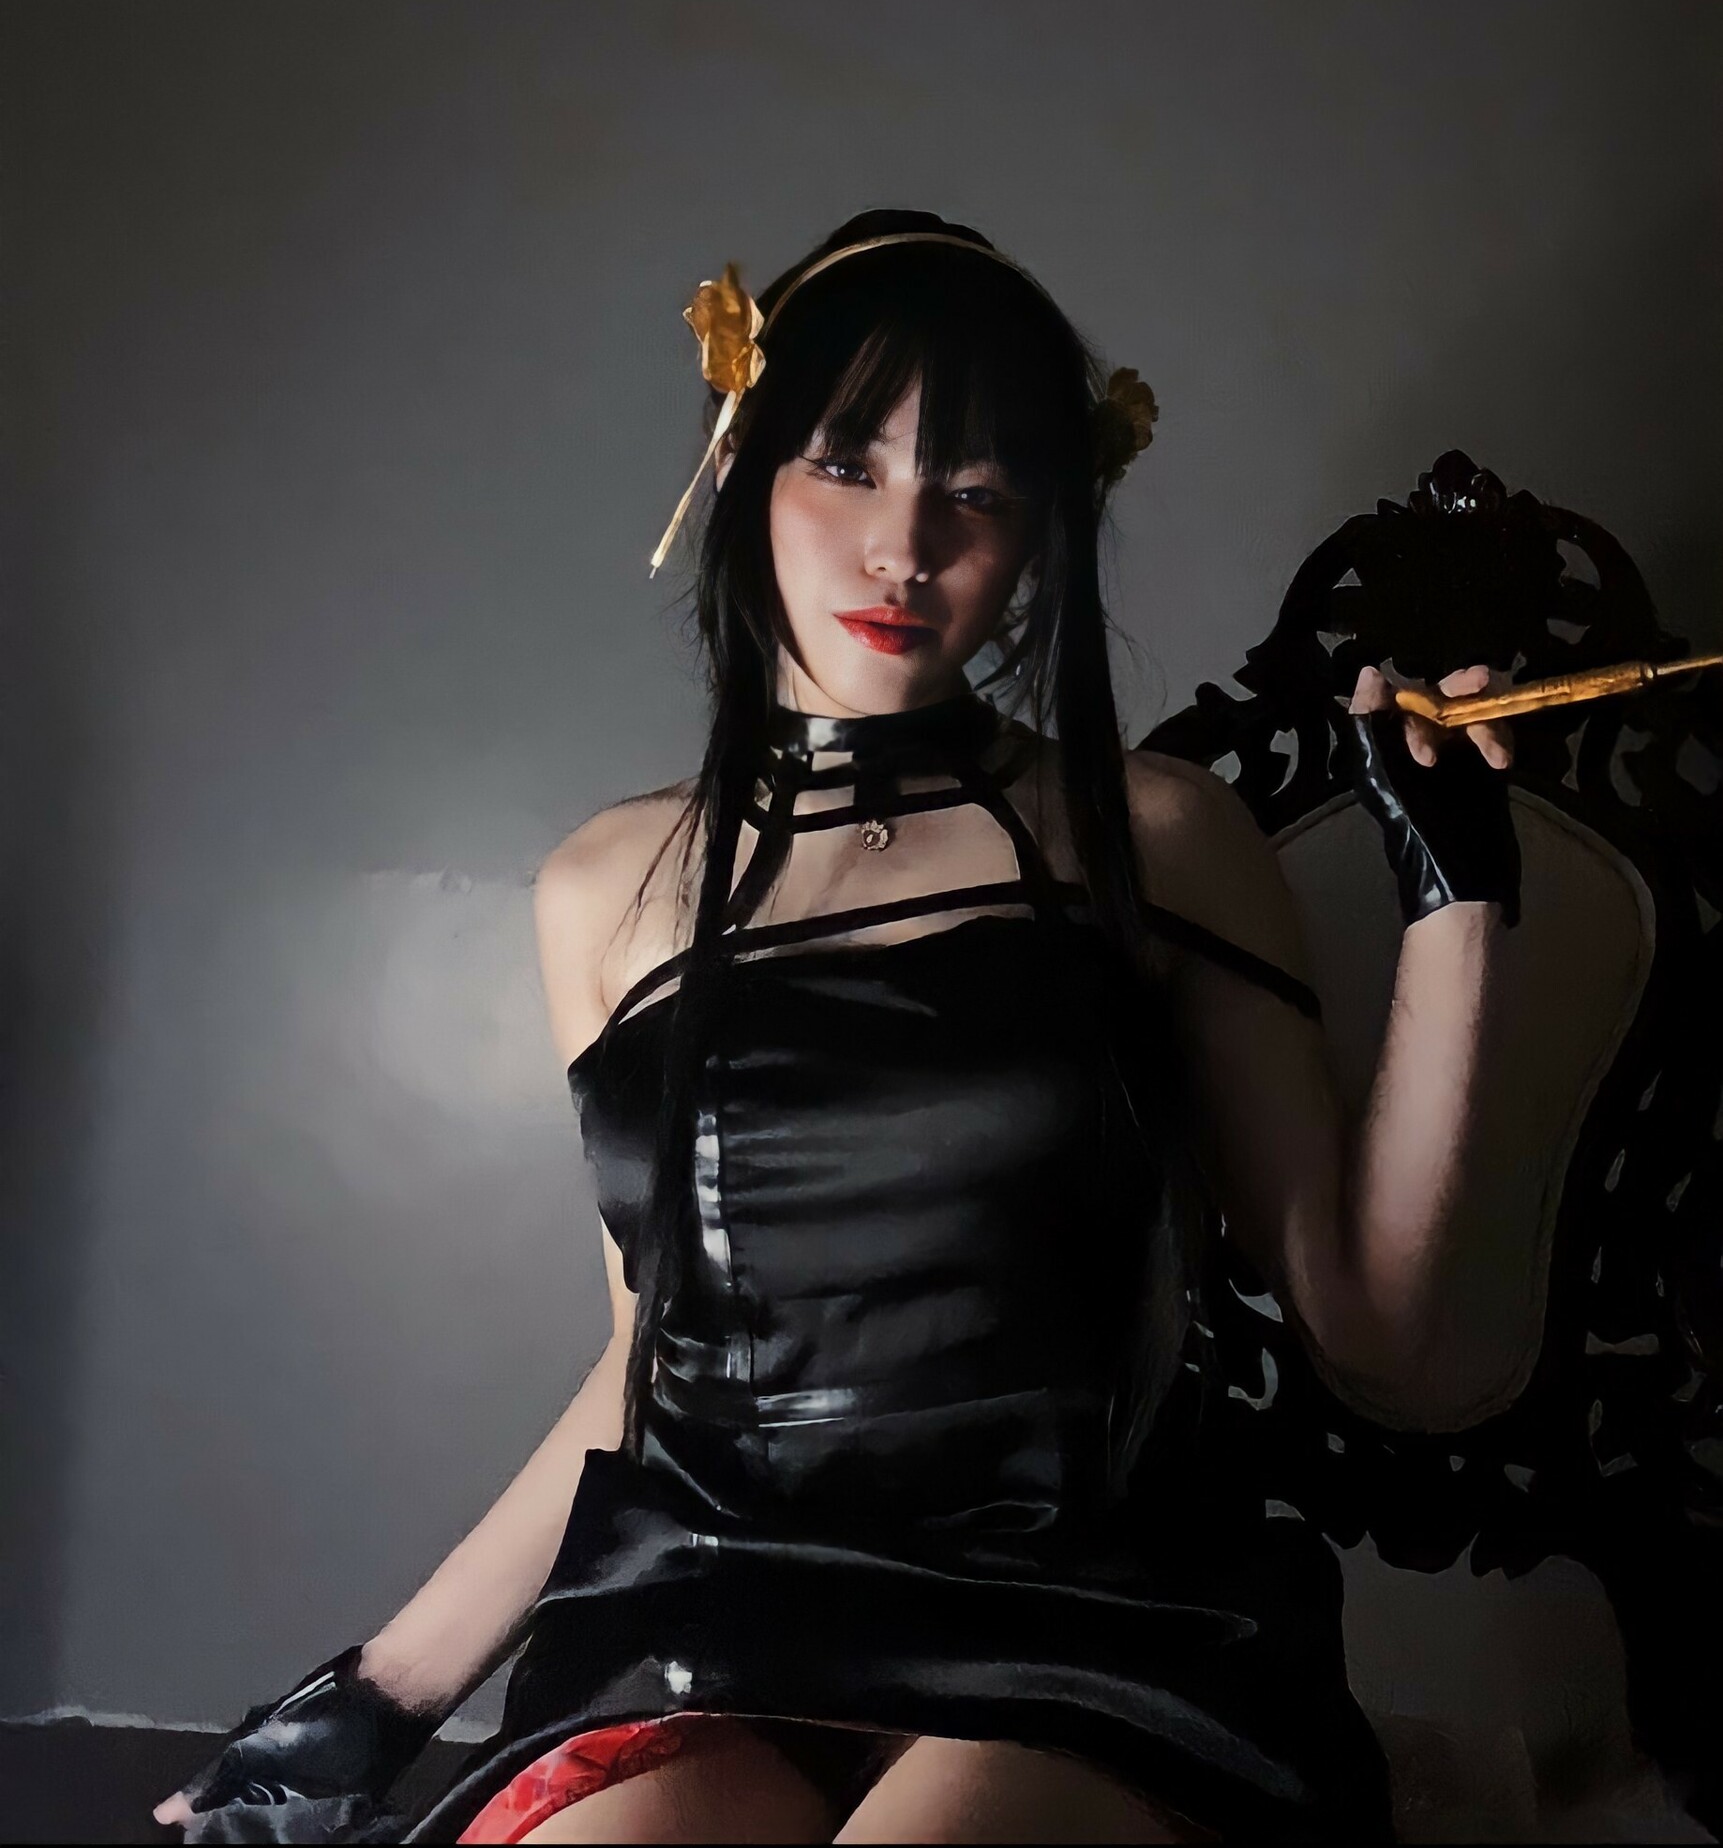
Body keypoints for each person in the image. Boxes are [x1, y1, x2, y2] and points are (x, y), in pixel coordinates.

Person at [155, 210, 1521, 1845]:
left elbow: (1375, 1328)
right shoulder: (603, 888)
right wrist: (378, 1697)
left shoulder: (1156, 835)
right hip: (716, 1605)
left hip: (1089, 1616)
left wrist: (1457, 904)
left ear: (1041, 537)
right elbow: (649, 1362)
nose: (905, 546)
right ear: (739, 466)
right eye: (849, 465)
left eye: (978, 493)